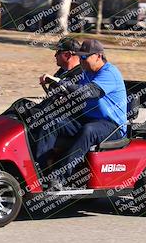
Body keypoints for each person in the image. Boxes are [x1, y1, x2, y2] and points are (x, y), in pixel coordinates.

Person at [32, 39, 127, 188]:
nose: (81, 61)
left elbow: (90, 92)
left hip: (112, 126)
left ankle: (59, 177)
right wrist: (55, 86)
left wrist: (62, 83)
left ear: (98, 56)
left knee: (88, 131)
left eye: (84, 57)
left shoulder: (109, 73)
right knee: (51, 122)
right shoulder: (86, 73)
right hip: (88, 119)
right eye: (80, 57)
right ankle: (40, 172)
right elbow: (74, 92)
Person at [3, 37, 83, 120]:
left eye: (58, 52)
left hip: (58, 115)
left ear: (68, 55)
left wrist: (56, 81)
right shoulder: (62, 71)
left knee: (20, 106)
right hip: (46, 108)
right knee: (19, 107)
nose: (55, 55)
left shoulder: (80, 73)